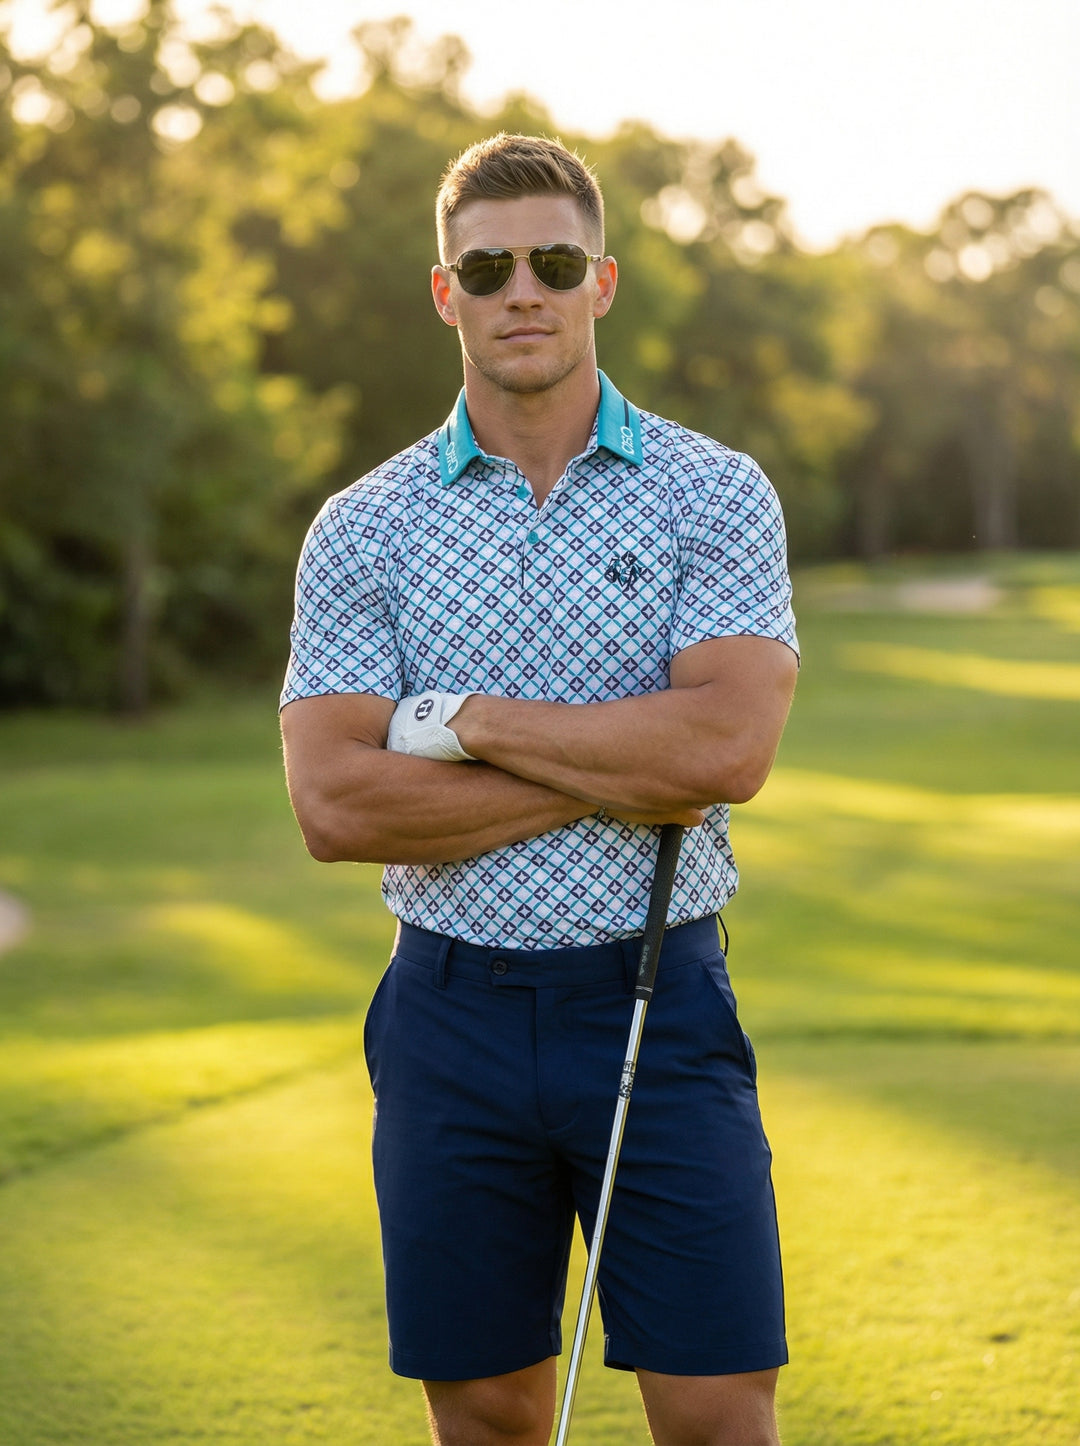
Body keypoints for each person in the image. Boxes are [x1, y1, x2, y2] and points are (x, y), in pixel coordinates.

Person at [280, 133, 799, 1446]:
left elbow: (726, 753)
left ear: (601, 281)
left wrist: (463, 726)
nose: (526, 288)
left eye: (555, 261)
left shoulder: (714, 491)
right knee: (492, 1416)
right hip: (447, 1009)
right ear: (445, 291)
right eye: (491, 265)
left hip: (658, 998)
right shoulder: (365, 523)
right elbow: (337, 805)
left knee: (716, 1412)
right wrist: (631, 763)